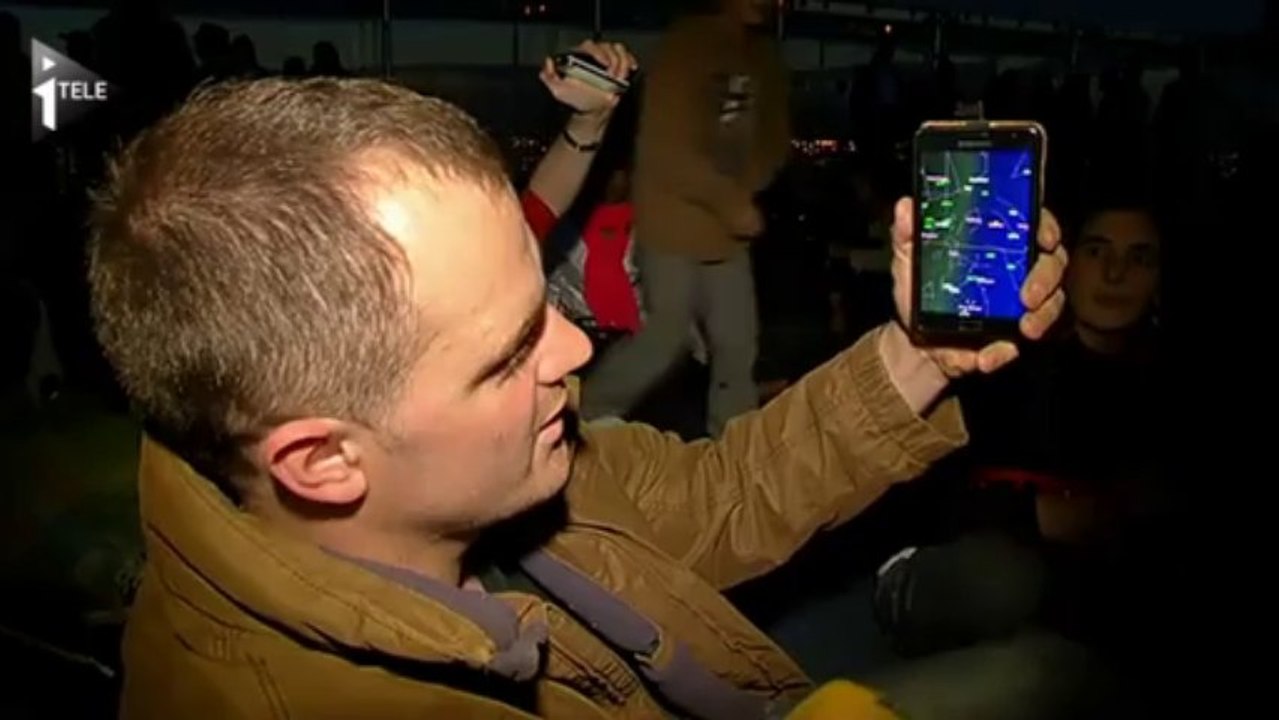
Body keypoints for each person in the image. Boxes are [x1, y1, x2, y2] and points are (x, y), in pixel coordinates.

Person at [90, 76, 1066, 719]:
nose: (569, 346)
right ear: (322, 462)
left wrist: (923, 354)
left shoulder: (470, 480)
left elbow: (719, 492)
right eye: (506, 353)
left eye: (539, 303)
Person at [579, 0, 791, 437]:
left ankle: (733, 457)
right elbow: (666, 152)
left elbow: (772, 134)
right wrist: (729, 201)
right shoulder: (686, 47)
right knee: (664, 337)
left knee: (737, 346)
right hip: (672, 222)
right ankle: (580, 422)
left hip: (726, 230)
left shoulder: (763, 56)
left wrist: (748, 185)